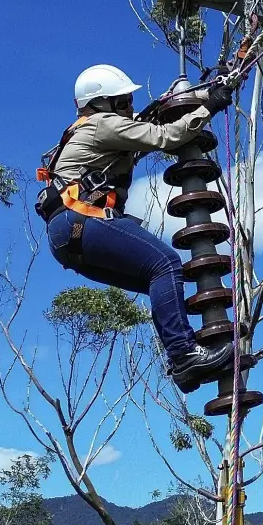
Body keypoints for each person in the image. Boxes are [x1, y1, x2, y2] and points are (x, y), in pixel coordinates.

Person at [37, 64, 234, 393]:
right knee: (165, 264)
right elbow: (165, 136)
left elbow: (150, 126)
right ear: (103, 103)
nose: (129, 106)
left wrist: (203, 93)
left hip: (66, 238)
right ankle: (185, 355)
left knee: (154, 278)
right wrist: (210, 105)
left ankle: (185, 365)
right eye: (123, 101)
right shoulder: (102, 125)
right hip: (81, 219)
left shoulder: (92, 130)